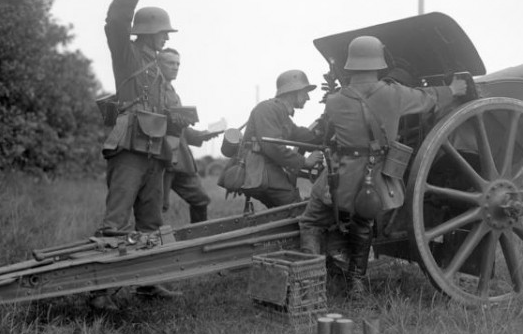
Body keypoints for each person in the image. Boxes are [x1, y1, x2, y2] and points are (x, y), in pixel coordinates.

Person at [299, 35, 469, 298]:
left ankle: (309, 285)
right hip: (375, 180)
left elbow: (327, 134)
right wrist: (454, 89)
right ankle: (356, 284)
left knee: (311, 221)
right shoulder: (394, 94)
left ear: (351, 66)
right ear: (378, 64)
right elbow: (428, 98)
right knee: (363, 223)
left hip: (339, 178)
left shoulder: (334, 100)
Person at [91, 0, 180, 310]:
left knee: (152, 223)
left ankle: (149, 284)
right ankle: (99, 292)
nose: (166, 38)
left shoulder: (158, 68)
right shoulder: (127, 56)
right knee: (115, 222)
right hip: (129, 149)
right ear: (146, 32)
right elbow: (115, 23)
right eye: (163, 32)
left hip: (153, 152)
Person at [238, 70, 324, 208]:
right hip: (260, 167)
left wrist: (322, 135)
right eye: (305, 92)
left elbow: (298, 134)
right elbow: (272, 146)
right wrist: (305, 162)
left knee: (281, 212)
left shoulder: (279, 112)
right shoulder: (267, 109)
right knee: (294, 207)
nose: (308, 98)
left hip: (266, 167)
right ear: (292, 91)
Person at [157, 48, 217, 223]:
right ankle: (150, 245)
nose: (175, 67)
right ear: (159, 64)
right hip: (162, 159)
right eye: (170, 63)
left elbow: (182, 131)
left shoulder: (172, 92)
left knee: (201, 200)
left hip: (181, 161)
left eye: (178, 64)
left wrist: (203, 135)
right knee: (158, 207)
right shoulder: (154, 90)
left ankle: (198, 240)